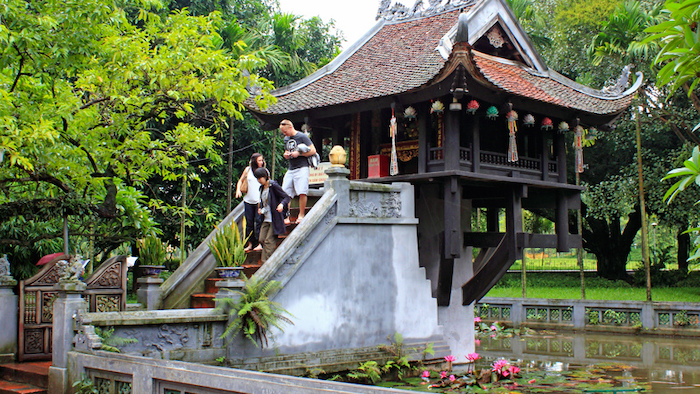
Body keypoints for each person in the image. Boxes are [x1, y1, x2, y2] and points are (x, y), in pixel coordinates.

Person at [279, 119, 317, 224]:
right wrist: (286, 154)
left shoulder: (302, 137)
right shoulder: (286, 139)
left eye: (285, 132)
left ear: (290, 127)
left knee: (302, 192)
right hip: (291, 168)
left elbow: (313, 150)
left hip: (302, 167)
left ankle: (301, 214)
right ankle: (286, 216)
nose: (284, 134)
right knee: (285, 192)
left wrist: (299, 154)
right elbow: (287, 150)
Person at [254, 167, 291, 263]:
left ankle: (265, 265)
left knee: (268, 241)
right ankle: (269, 260)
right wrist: (261, 210)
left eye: (260, 178)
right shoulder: (261, 188)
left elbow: (286, 197)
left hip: (274, 219)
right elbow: (265, 203)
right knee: (261, 239)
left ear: (266, 176)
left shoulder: (273, 185)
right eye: (257, 178)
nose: (259, 180)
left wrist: (281, 204)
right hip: (266, 218)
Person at [235, 153, 265, 251]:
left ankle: (260, 243)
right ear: (254, 161)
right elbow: (240, 180)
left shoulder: (264, 171)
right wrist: (238, 190)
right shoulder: (248, 170)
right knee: (249, 223)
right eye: (259, 160)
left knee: (259, 222)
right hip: (248, 200)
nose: (262, 162)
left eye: (262, 160)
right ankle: (250, 243)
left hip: (259, 201)